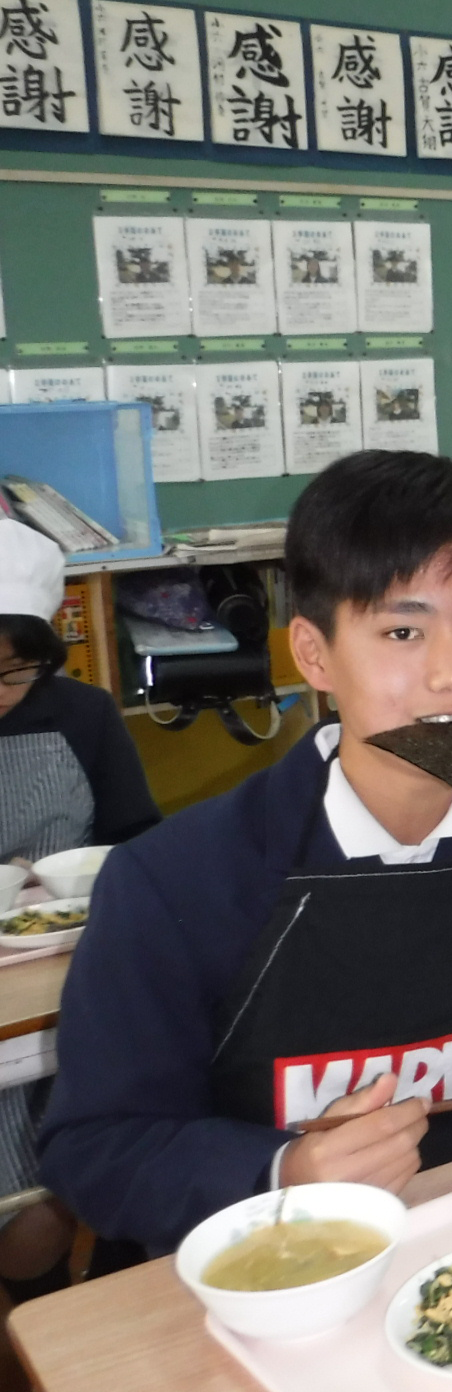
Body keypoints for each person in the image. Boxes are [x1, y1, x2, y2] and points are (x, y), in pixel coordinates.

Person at [40, 452, 452, 1260]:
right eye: (402, 630)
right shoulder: (177, 878)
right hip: (277, 1268)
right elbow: (96, 1149)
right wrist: (286, 1167)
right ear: (315, 655)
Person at [0, 519, 158, 1302]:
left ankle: (49, 1307)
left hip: (71, 976)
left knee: (41, 1193)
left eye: (10, 675)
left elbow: (138, 846)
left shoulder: (84, 715)